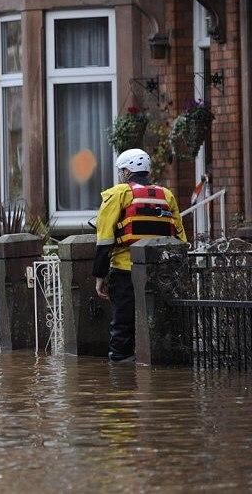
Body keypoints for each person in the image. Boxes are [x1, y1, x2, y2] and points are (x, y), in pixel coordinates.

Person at [93, 148, 186, 362]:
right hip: (160, 272)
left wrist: (100, 276)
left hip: (125, 270)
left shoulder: (118, 194)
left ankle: (120, 372)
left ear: (127, 171)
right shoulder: (166, 195)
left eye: (121, 171)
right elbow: (180, 237)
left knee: (123, 323)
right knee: (159, 321)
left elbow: (104, 238)